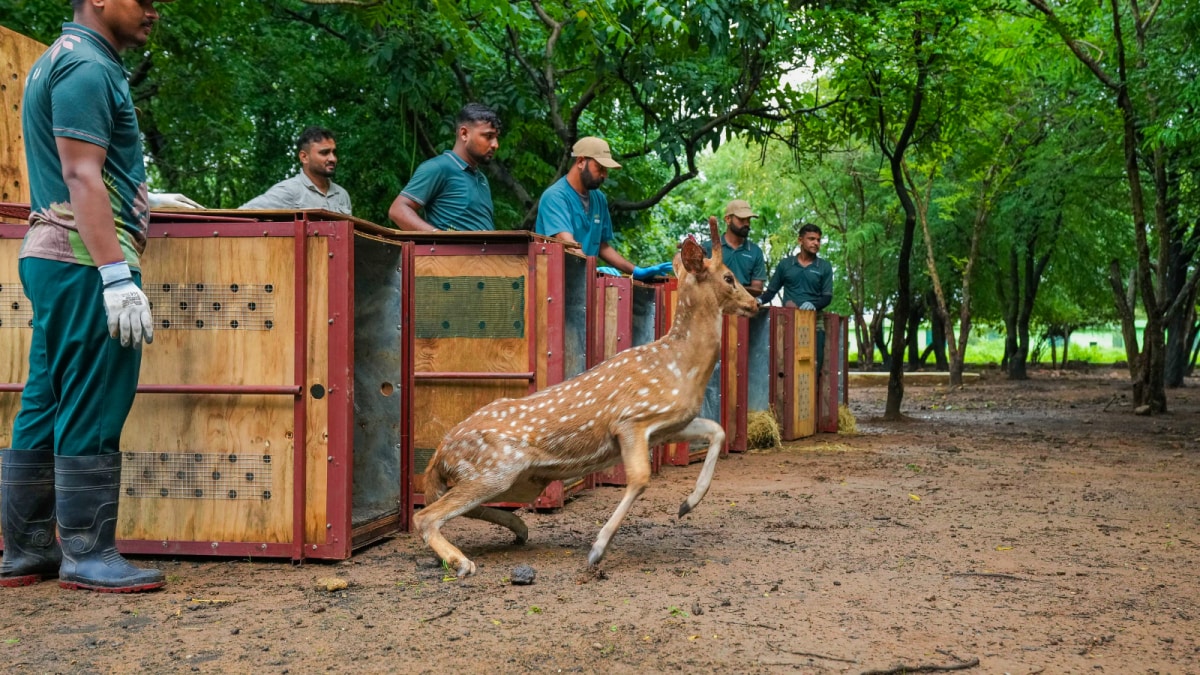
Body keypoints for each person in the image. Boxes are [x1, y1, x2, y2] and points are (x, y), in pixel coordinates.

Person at [2, 0, 172, 593]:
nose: (155, 10)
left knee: (46, 400)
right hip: (82, 259)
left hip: (54, 254)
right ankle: (87, 553)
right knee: (96, 396)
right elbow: (80, 175)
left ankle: (26, 551)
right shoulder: (90, 68)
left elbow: (85, 169)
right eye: (145, 0)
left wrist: (146, 198)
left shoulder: (60, 58)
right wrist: (115, 276)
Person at [534, 136, 672, 281]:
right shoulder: (555, 197)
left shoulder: (599, 199)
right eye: (600, 168)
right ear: (581, 162)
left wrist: (636, 271)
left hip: (585, 284)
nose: (604, 175)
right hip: (554, 285)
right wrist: (593, 269)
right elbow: (568, 244)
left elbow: (602, 246)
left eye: (606, 170)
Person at [388, 103, 501, 231]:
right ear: (464, 134)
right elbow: (397, 210)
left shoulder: (482, 179)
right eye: (488, 136)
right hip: (451, 251)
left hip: (486, 251)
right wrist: (438, 237)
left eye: (496, 138)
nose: (495, 145)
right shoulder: (438, 168)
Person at [760, 223, 834, 370]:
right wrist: (759, 300)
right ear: (800, 240)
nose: (816, 243)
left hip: (814, 321)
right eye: (811, 239)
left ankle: (813, 392)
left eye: (818, 240)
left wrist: (813, 305)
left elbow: (827, 297)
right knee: (785, 364)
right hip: (789, 320)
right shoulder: (786, 265)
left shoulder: (824, 266)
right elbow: (771, 292)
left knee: (813, 365)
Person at [240, 126, 352, 215]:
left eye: (334, 153)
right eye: (324, 153)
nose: (333, 158)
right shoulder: (289, 191)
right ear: (304, 157)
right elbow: (239, 216)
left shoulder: (342, 195)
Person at [703, 199, 767, 296]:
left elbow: (757, 289)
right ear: (728, 219)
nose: (747, 224)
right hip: (713, 307)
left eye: (748, 220)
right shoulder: (708, 247)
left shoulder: (755, 252)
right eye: (741, 219)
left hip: (744, 308)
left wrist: (729, 288)